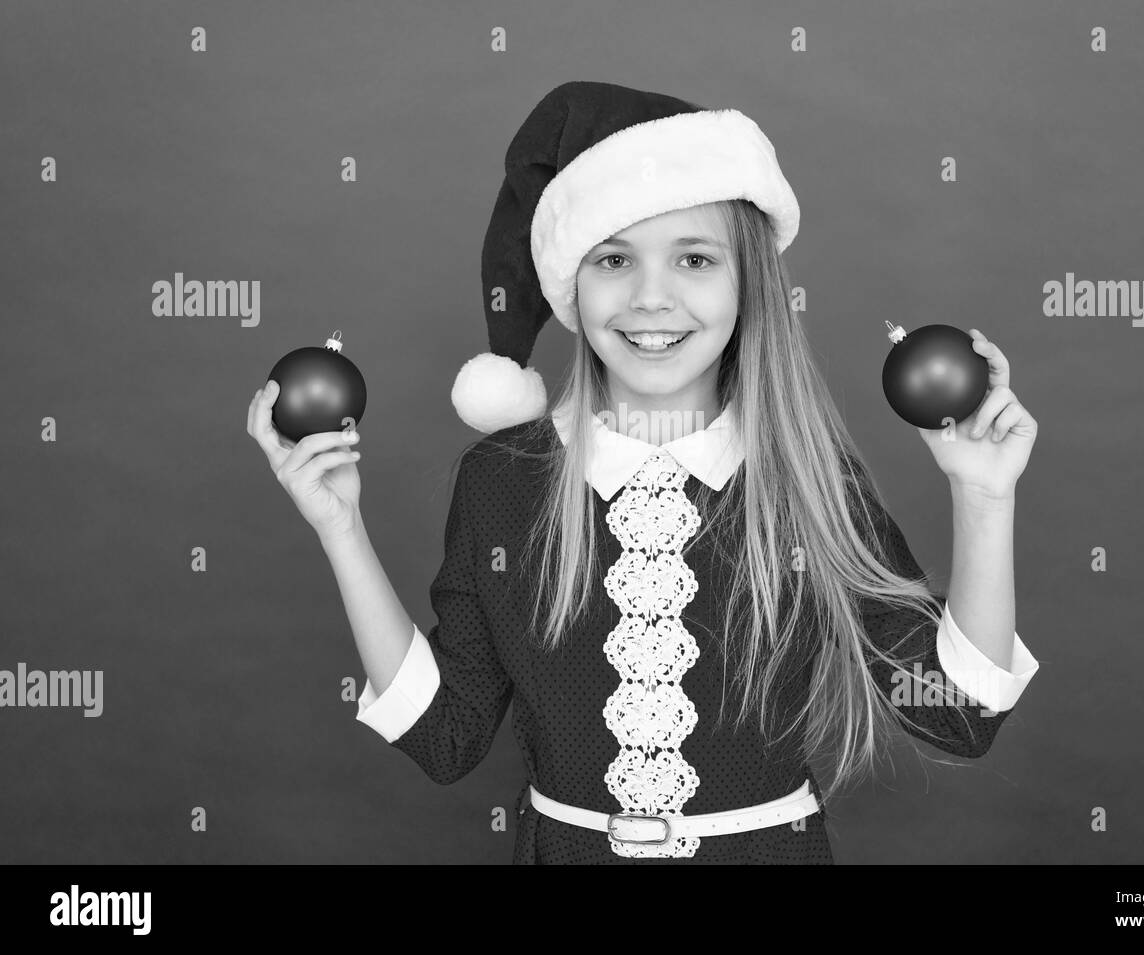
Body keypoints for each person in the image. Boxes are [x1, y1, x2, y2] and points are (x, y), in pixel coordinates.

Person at [246, 81, 1041, 864]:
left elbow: (960, 715)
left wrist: (984, 496)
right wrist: (339, 527)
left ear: (747, 284)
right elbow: (446, 734)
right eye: (614, 258)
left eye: (694, 258)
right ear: (573, 288)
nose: (651, 298)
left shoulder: (807, 478)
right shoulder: (503, 480)